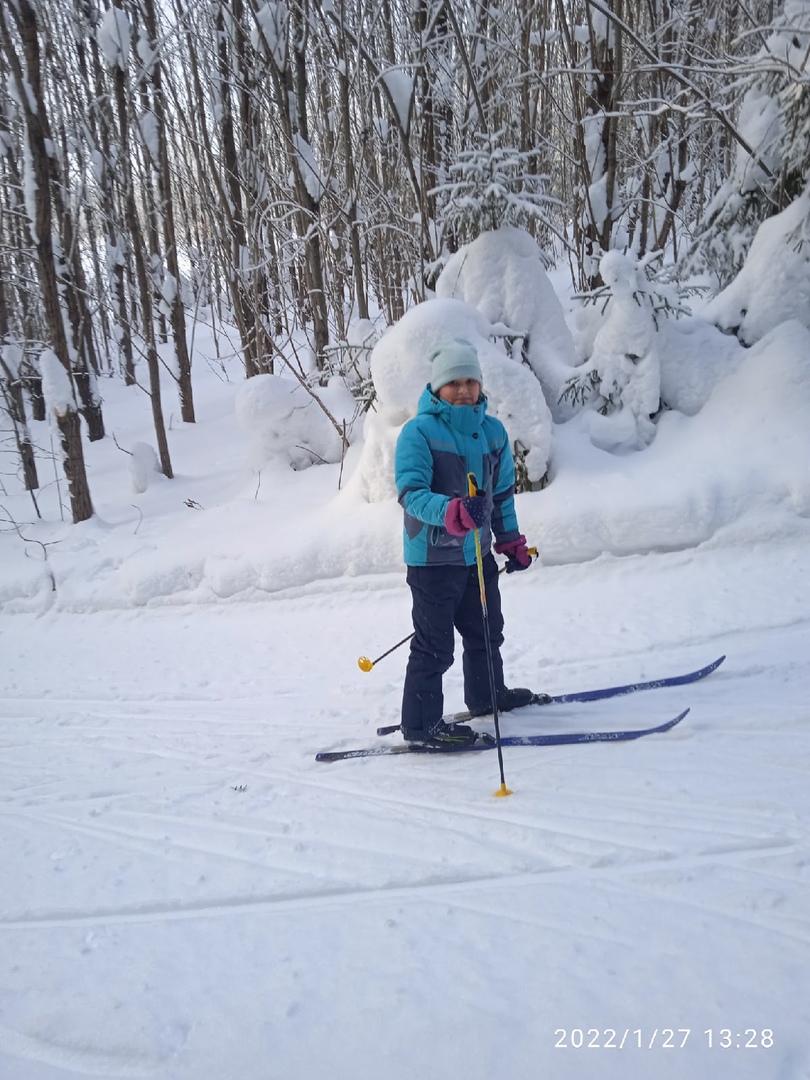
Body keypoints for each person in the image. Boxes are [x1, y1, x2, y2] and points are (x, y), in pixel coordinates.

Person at [394, 338, 533, 747]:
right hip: (432, 560)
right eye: (454, 382)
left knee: (487, 632)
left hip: (477, 556)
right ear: (437, 387)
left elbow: (501, 495)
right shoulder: (418, 432)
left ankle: (488, 697)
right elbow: (411, 493)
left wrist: (509, 542)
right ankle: (421, 727)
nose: (464, 390)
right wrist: (452, 512)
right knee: (434, 645)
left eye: (471, 380)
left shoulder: (493, 432)